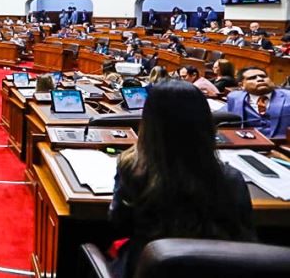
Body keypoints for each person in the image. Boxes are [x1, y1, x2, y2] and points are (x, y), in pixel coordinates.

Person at [109, 80, 254, 278]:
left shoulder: (132, 169)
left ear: (149, 121)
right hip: (214, 270)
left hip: (148, 267)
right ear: (206, 122)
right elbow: (244, 230)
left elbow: (119, 223)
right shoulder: (231, 177)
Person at [225, 66, 290, 138]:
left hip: (282, 145)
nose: (260, 79)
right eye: (252, 78)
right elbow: (219, 117)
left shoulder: (288, 96)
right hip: (247, 142)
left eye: (263, 76)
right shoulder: (235, 97)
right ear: (242, 85)